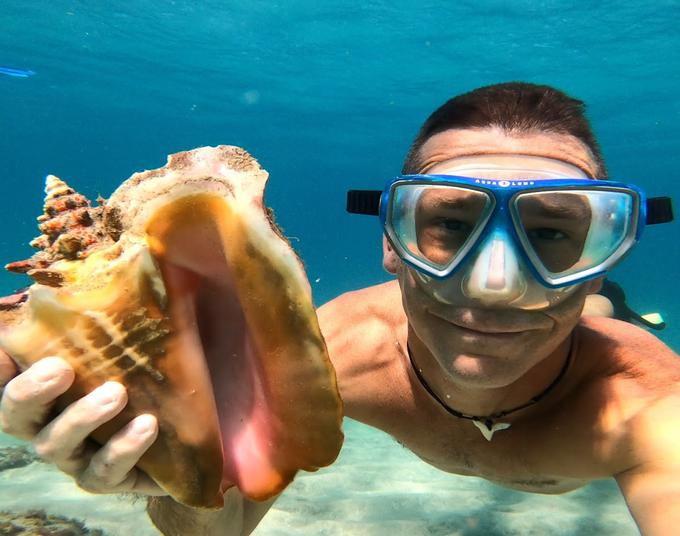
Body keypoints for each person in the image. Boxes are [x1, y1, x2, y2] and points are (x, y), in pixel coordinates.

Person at [0, 82, 678, 536]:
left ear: (610, 250)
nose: (494, 283)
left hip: (599, 316)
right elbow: (215, 525)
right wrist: (173, 471)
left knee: (605, 314)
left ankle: (603, 298)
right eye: (449, 225)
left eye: (554, 233)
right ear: (391, 243)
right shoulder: (335, 353)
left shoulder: (649, 407)